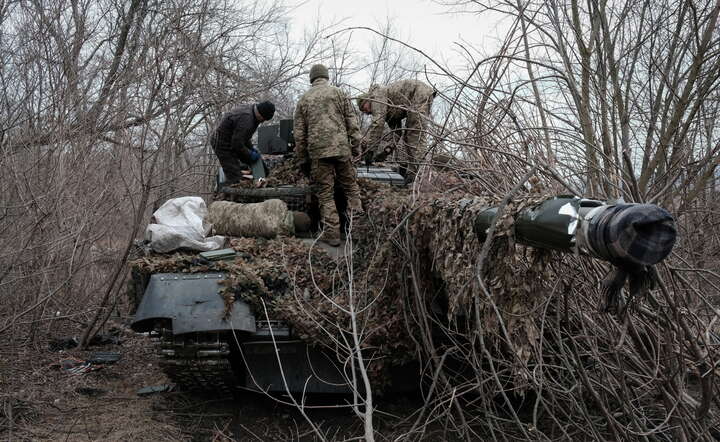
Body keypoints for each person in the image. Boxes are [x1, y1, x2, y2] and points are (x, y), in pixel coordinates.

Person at [294, 64, 363, 247]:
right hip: (341, 150)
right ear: (326, 77)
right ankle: (357, 231)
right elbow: (352, 122)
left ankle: (332, 234)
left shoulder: (304, 99)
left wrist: (302, 160)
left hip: (318, 153)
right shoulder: (339, 93)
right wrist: (356, 147)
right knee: (351, 189)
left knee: (325, 194)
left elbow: (299, 135)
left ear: (312, 78)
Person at [357, 80, 435, 182]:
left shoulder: (376, 96)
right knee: (408, 136)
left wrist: (370, 151)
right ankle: (412, 175)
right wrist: (386, 151)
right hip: (417, 97)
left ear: (367, 100)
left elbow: (378, 124)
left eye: (364, 108)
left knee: (414, 134)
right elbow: (397, 133)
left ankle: (418, 176)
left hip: (418, 93)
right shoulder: (389, 110)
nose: (366, 112)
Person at [210, 101, 275, 184]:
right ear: (260, 114)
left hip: (234, 140)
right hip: (221, 143)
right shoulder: (247, 119)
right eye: (263, 119)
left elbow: (244, 137)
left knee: (255, 159)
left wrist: (252, 149)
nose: (262, 121)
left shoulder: (253, 113)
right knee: (235, 176)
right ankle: (233, 188)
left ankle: (259, 175)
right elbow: (237, 144)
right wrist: (250, 154)